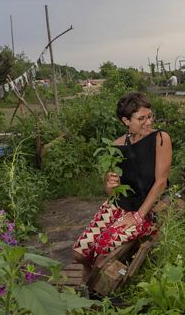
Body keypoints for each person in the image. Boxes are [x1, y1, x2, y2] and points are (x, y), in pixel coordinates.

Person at [72, 92, 172, 281]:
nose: (148, 122)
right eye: (141, 118)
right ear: (126, 120)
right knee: (80, 252)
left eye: (150, 116)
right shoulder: (116, 146)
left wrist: (138, 217)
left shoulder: (160, 138)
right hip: (121, 205)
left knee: (103, 251)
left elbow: (161, 182)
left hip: (147, 209)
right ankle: (89, 282)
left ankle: (96, 294)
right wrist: (109, 185)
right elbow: (111, 193)